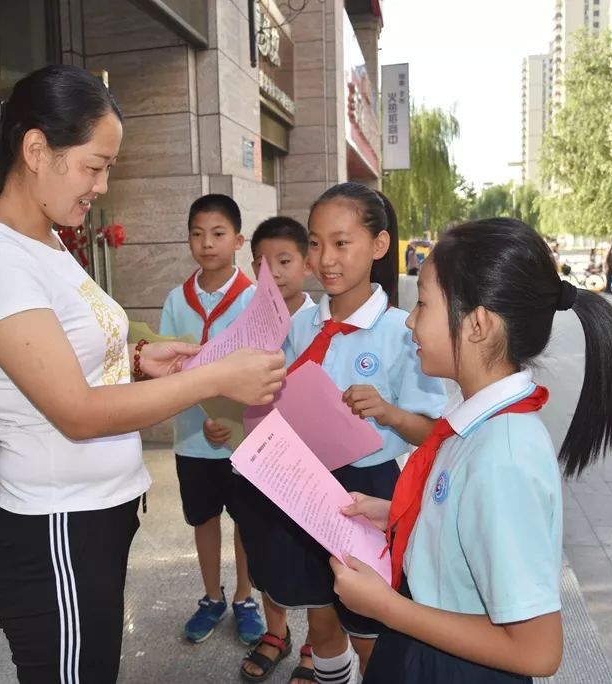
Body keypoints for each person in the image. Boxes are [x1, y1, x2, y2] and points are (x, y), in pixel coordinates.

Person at [0, 65, 285, 684]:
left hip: (92, 517)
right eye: (94, 165)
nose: (102, 186)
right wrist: (212, 380)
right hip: (56, 528)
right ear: (35, 150)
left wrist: (136, 360)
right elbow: (74, 412)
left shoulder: (46, 241)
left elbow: (59, 356)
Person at [330, 217, 612, 683]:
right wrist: (396, 512)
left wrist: (385, 608)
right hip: (428, 639)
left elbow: (538, 651)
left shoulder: (506, 456)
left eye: (424, 305)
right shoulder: (477, 421)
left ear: (477, 325)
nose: (410, 321)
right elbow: (467, 518)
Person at [238, 183, 448, 684]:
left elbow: (434, 435)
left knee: (370, 624)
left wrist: (391, 413)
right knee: (321, 611)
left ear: (378, 246)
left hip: (368, 489)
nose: (325, 259)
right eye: (315, 243)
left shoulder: (406, 331)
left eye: (340, 243)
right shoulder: (300, 324)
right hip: (302, 483)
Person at [202, 216, 317, 682]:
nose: (276, 272)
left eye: (285, 261)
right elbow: (225, 389)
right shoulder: (244, 325)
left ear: (307, 264)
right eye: (264, 264)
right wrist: (217, 422)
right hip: (256, 463)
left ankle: (315, 646)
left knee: (312, 557)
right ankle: (277, 632)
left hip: (309, 466)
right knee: (263, 547)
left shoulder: (320, 324)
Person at [159, 194, 268, 647]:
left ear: (239, 240)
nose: (207, 243)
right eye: (198, 234)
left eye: (218, 233)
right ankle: (211, 596)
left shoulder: (255, 298)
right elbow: (166, 367)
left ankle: (245, 597)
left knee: (245, 519)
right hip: (192, 438)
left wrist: (232, 415)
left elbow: (263, 365)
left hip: (242, 438)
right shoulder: (175, 299)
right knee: (202, 518)